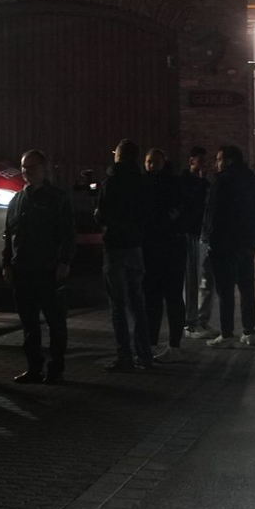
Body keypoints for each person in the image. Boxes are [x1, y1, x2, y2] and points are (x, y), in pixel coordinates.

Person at [2, 148, 75, 384]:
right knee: (29, 324)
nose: (27, 172)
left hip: (48, 270)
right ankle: (34, 368)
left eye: (32, 167)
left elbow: (67, 234)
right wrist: (7, 264)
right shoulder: (17, 200)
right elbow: (9, 234)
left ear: (44, 169)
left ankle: (56, 369)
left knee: (55, 323)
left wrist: (64, 262)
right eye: (24, 167)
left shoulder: (57, 199)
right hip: (23, 270)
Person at [203, 145, 255, 348]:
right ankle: (249, 331)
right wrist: (254, 242)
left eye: (219, 159)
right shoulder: (252, 180)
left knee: (225, 290)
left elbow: (213, 214)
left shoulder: (221, 182)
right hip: (246, 245)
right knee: (247, 289)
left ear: (228, 161)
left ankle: (227, 333)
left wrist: (209, 238)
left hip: (223, 245)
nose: (217, 163)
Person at [96, 139, 152, 370]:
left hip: (115, 247)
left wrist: (100, 216)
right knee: (138, 302)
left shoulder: (111, 182)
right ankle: (145, 354)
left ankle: (124, 356)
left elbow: (103, 214)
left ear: (118, 156)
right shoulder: (142, 182)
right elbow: (147, 213)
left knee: (118, 304)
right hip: (135, 246)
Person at [140, 148, 187, 362]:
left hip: (165, 247)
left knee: (168, 298)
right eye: (149, 162)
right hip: (161, 247)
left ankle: (170, 344)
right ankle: (155, 342)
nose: (152, 166)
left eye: (155, 162)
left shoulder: (166, 184)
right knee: (156, 299)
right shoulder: (155, 183)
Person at [180, 146, 217, 340]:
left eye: (205, 161)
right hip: (191, 234)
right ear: (191, 161)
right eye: (199, 161)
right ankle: (190, 323)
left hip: (205, 235)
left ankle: (202, 320)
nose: (204, 165)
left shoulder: (206, 183)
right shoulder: (186, 182)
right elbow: (191, 207)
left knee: (208, 279)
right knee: (192, 279)